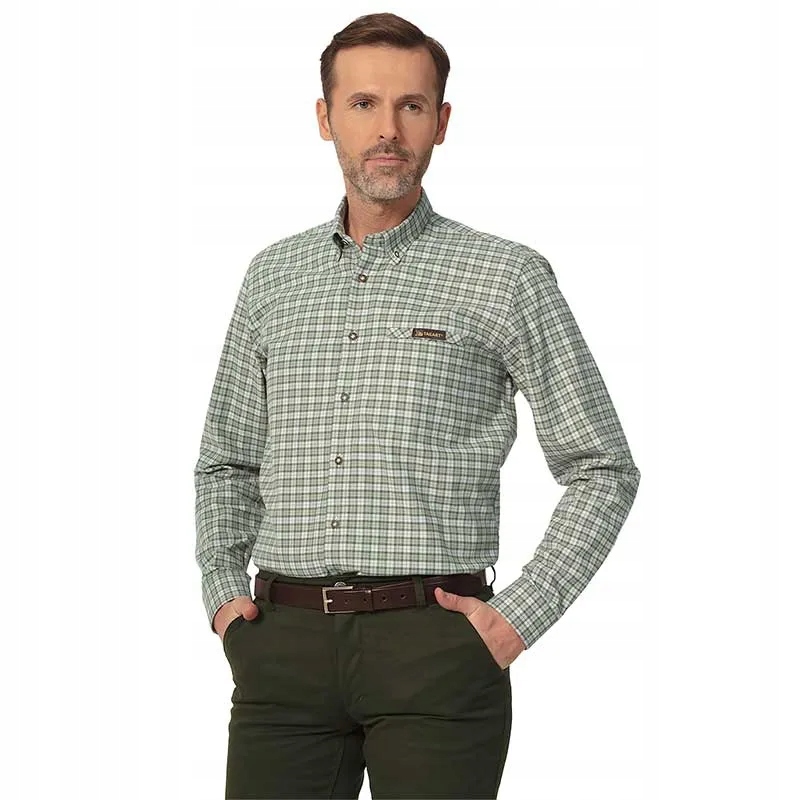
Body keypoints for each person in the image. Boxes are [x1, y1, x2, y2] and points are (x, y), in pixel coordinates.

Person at [194, 11, 641, 799]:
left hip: (436, 650)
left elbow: (602, 467)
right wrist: (225, 596)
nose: (387, 130)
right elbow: (227, 461)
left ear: (442, 121)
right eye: (363, 103)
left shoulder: (505, 276)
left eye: (411, 105)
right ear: (325, 117)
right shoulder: (271, 277)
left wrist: (520, 617)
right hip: (280, 651)